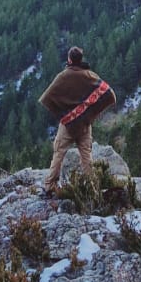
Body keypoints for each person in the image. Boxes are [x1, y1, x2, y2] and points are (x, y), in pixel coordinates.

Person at [39, 46, 116, 193]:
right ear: (80, 59)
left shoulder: (62, 76)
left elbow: (48, 97)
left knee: (59, 153)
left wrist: (63, 114)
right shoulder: (89, 75)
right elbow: (110, 94)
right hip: (84, 124)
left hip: (67, 125)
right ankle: (93, 189)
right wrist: (90, 113)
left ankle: (50, 186)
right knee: (86, 156)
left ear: (69, 59)